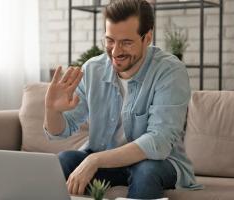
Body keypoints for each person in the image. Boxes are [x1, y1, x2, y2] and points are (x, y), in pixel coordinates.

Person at [43, 0, 201, 199]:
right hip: (106, 160)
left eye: (126, 42)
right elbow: (60, 132)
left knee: (146, 172)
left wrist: (95, 160)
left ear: (148, 37)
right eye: (110, 40)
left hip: (157, 163)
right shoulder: (93, 69)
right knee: (64, 160)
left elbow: (158, 141)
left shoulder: (170, 71)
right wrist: (52, 110)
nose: (116, 52)